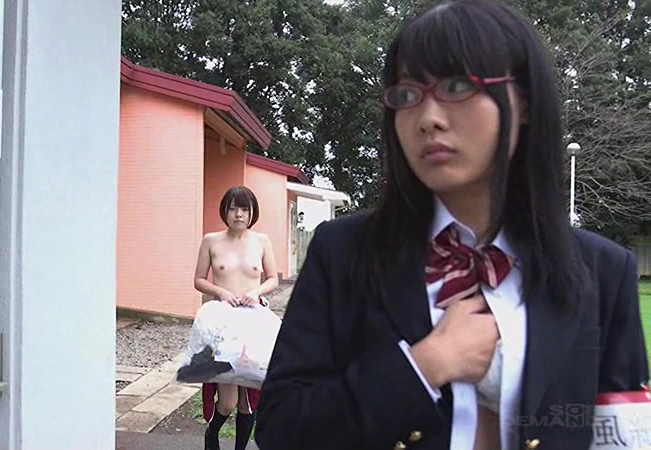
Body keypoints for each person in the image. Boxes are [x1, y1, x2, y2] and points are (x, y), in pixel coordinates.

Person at [255, 1, 649, 449]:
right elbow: (281, 430)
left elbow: (621, 439)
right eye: (407, 95)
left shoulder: (603, 271)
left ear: (524, 102)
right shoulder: (343, 253)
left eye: (458, 86)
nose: (429, 119)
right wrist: (425, 365)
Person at [194, 186, 279, 450]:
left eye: (244, 209)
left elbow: (273, 278)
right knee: (228, 401)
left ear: (252, 213)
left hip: (253, 320)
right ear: (225, 211)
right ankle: (212, 434)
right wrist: (220, 292)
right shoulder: (211, 240)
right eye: (233, 208)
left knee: (248, 400)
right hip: (223, 322)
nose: (238, 214)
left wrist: (256, 292)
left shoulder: (262, 241)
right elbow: (198, 280)